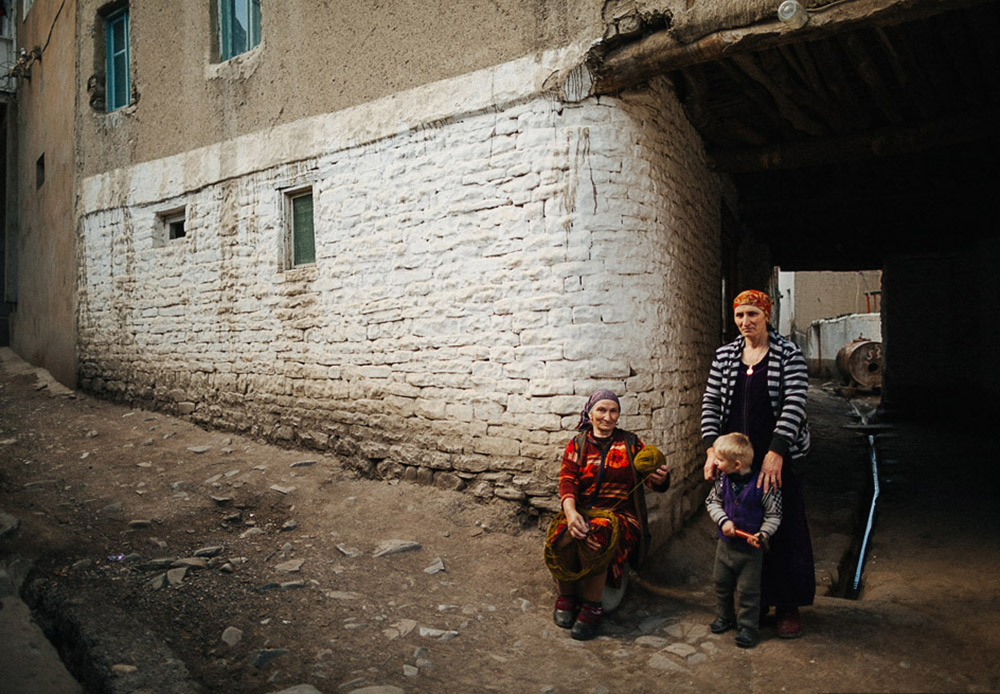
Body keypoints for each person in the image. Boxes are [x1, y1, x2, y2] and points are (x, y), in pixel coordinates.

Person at [701, 289, 815, 638]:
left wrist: (777, 451)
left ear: (767, 316)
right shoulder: (725, 356)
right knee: (742, 525)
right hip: (737, 462)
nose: (745, 322)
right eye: (739, 315)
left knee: (783, 528)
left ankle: (788, 604)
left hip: (775, 456)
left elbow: (795, 402)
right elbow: (710, 403)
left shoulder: (787, 353)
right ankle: (758, 600)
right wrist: (711, 449)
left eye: (752, 314)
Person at [544, 389, 671, 640]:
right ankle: (566, 597)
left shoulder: (631, 444)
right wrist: (570, 513)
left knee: (597, 534)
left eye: (613, 411)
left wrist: (661, 478)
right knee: (560, 535)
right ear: (590, 413)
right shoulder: (578, 444)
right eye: (601, 410)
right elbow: (567, 480)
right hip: (582, 511)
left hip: (622, 517)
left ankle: (592, 606)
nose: (607, 416)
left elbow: (653, 482)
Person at [705, 432, 781, 648]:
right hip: (726, 546)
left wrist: (763, 533)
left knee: (748, 590)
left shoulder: (762, 486)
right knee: (721, 582)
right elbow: (712, 502)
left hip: (750, 552)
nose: (715, 463)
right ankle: (725, 616)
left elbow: (774, 515)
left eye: (719, 460)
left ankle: (748, 627)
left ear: (736, 464)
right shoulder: (722, 481)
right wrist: (723, 521)